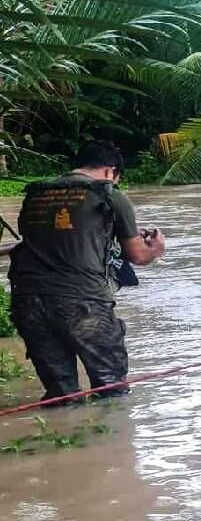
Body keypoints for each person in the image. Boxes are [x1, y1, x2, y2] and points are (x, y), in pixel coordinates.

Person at [6, 141, 166, 402]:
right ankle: (113, 438)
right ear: (110, 171)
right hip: (82, 302)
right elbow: (137, 255)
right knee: (111, 391)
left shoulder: (37, 193)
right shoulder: (108, 194)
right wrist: (157, 248)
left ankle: (63, 434)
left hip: (28, 302)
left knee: (61, 395)